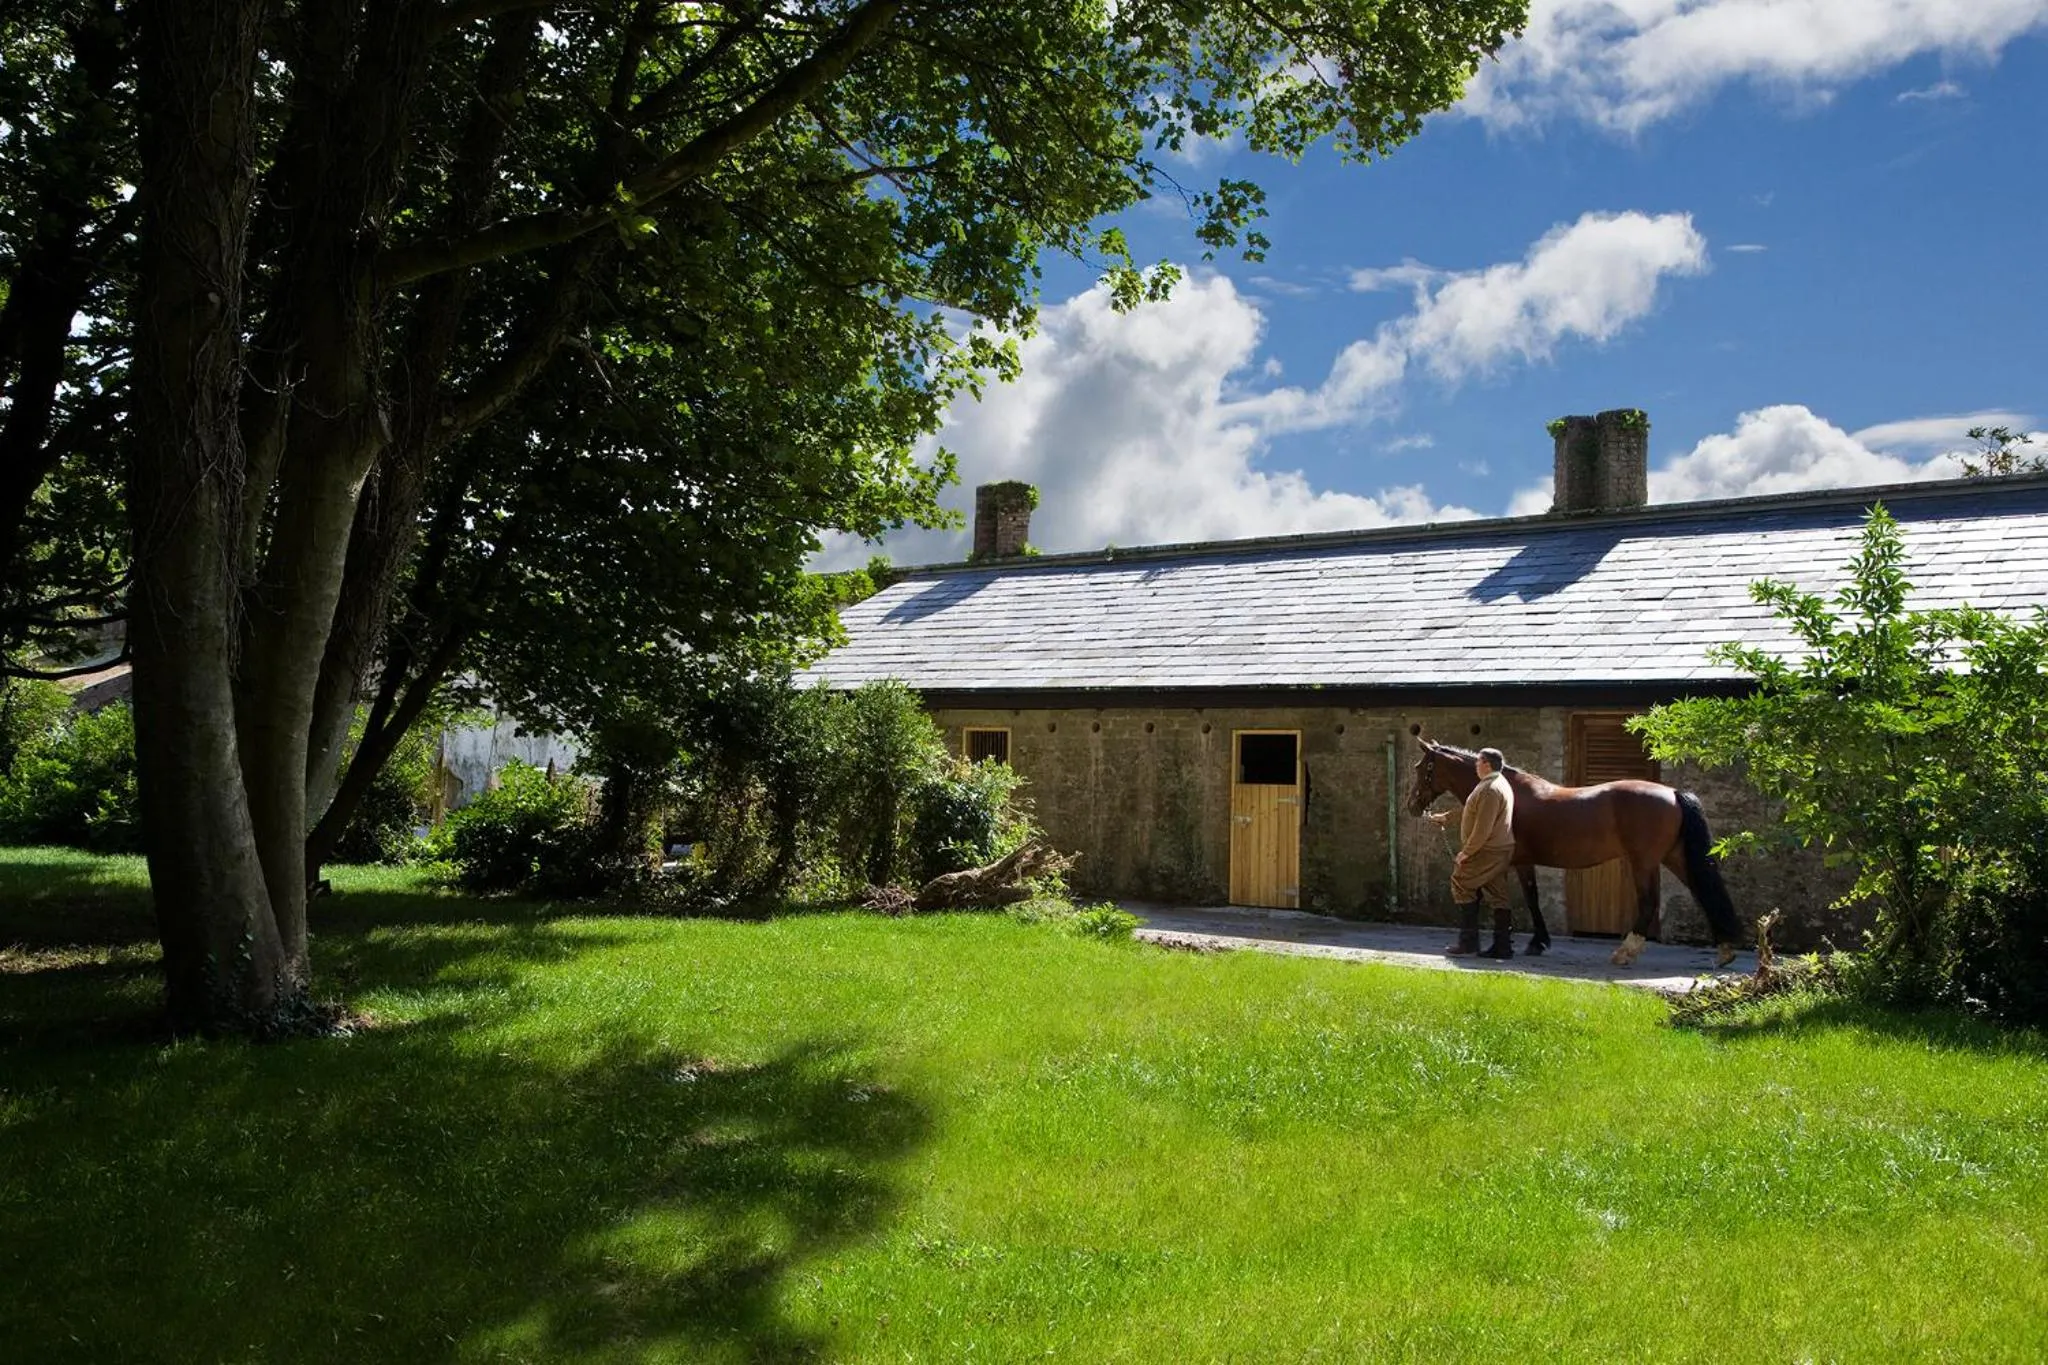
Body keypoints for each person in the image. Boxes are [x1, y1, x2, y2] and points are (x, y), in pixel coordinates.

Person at [1425, 747, 1517, 959]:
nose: (1475, 765)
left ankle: (1468, 943)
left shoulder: (1490, 789)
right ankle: (1502, 947)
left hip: (1488, 851)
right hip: (1497, 850)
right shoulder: (1496, 784)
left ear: (1486, 764)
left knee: (1461, 881)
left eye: (1478, 762)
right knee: (1498, 896)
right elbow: (1472, 810)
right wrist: (1447, 817)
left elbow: (1483, 827)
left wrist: (1466, 853)